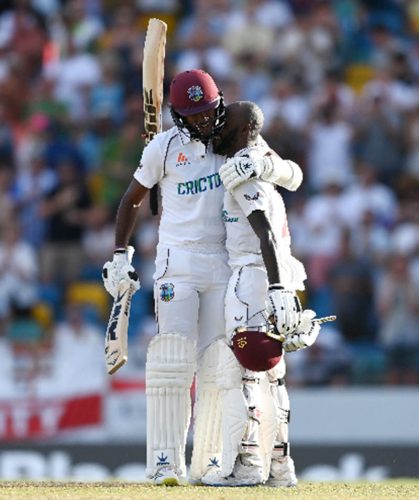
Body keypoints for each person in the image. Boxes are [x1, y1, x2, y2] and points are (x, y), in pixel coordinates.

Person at [102, 69, 303, 486]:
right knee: (172, 360)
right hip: (178, 261)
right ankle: (164, 463)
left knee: (219, 367)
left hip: (226, 264)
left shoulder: (236, 139)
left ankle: (210, 461)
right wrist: (120, 253)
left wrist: (264, 162)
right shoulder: (163, 146)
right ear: (177, 114)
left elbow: (292, 175)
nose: (201, 122)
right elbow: (132, 199)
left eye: (207, 112)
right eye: (191, 115)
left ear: (221, 105)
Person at [202, 101, 324, 487]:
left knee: (241, 373)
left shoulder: (244, 169)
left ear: (244, 131)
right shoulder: (259, 155)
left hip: (253, 276)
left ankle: (248, 463)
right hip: (274, 275)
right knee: (273, 376)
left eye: (226, 125)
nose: (217, 131)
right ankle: (281, 467)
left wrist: (273, 287)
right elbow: (294, 175)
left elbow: (265, 233)